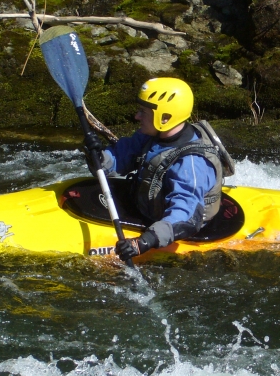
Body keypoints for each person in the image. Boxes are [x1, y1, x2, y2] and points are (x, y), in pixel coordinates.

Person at [84, 77, 232, 261]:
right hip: (146, 207)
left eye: (143, 112)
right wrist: (99, 157)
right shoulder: (154, 135)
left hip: (177, 227)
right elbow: (122, 155)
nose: (137, 117)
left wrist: (143, 243)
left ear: (165, 117)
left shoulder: (191, 163)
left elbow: (185, 216)